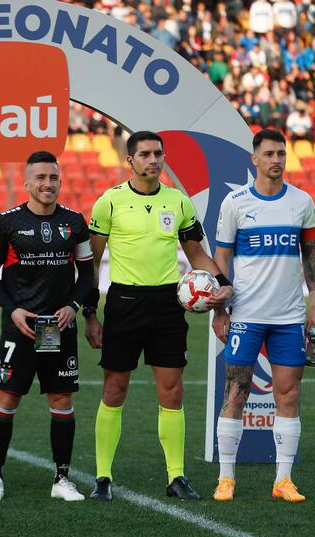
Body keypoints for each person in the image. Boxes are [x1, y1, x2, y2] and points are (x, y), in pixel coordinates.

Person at [84, 131, 232, 502]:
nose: (153, 160)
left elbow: (196, 253)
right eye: (145, 154)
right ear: (129, 161)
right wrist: (90, 312)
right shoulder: (109, 203)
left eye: (158, 154)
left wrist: (222, 284)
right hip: (124, 303)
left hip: (168, 305)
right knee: (114, 389)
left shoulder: (178, 202)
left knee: (173, 391)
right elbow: (91, 262)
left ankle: (176, 476)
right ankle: (103, 477)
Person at [211, 130, 315, 503]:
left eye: (282, 153)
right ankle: (226, 478)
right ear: (254, 159)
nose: (277, 160)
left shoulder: (301, 202)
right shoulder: (235, 203)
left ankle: (283, 480)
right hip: (246, 314)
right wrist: (219, 308)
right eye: (269, 154)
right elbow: (222, 259)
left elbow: (310, 255)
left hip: (290, 317)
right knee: (236, 391)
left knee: (288, 394)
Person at [0, 151, 93, 503]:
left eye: (53, 178)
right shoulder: (7, 222)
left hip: (55, 327)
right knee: (7, 397)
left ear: (60, 181)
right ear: (27, 183)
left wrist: (74, 307)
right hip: (22, 326)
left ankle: (61, 479)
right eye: (40, 178)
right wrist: (11, 310)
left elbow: (87, 273)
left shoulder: (74, 222)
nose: (47, 184)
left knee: (60, 398)